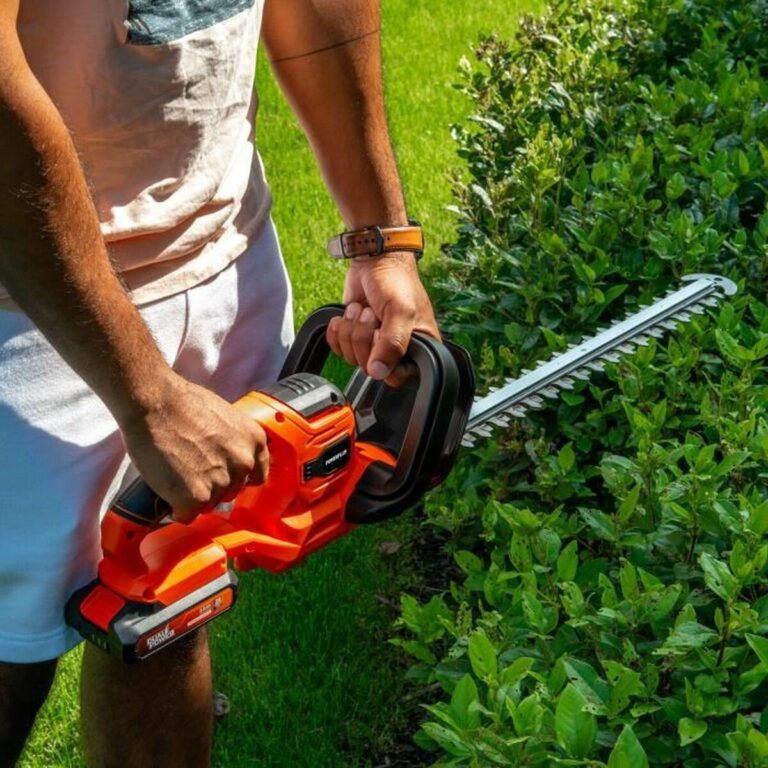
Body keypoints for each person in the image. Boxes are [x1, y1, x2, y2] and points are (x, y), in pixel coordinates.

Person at [0, 0, 439, 764]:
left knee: (169, 594)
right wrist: (148, 395)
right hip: (22, 298)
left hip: (222, 243)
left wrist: (380, 238)